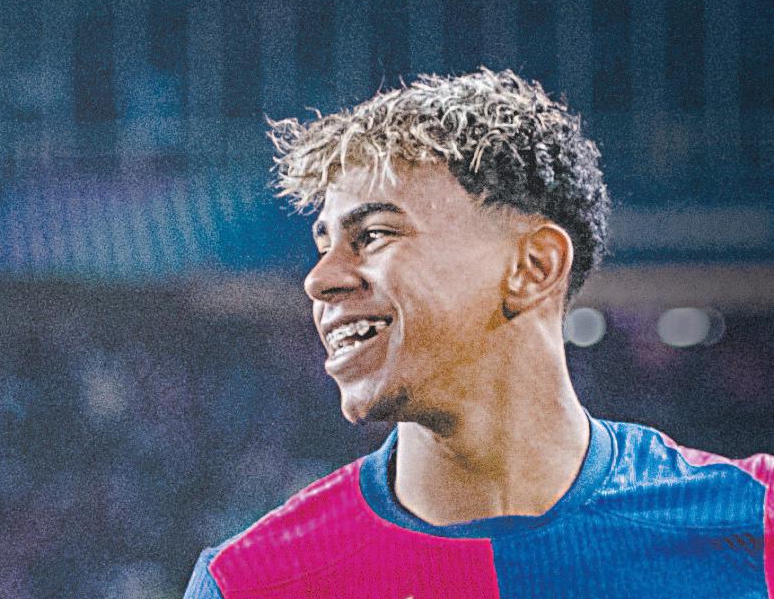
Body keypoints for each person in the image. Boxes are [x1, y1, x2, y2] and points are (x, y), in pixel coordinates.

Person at [184, 68, 773, 599]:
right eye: (324, 244)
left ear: (532, 268)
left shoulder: (756, 523)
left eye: (375, 234)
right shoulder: (248, 582)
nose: (320, 279)